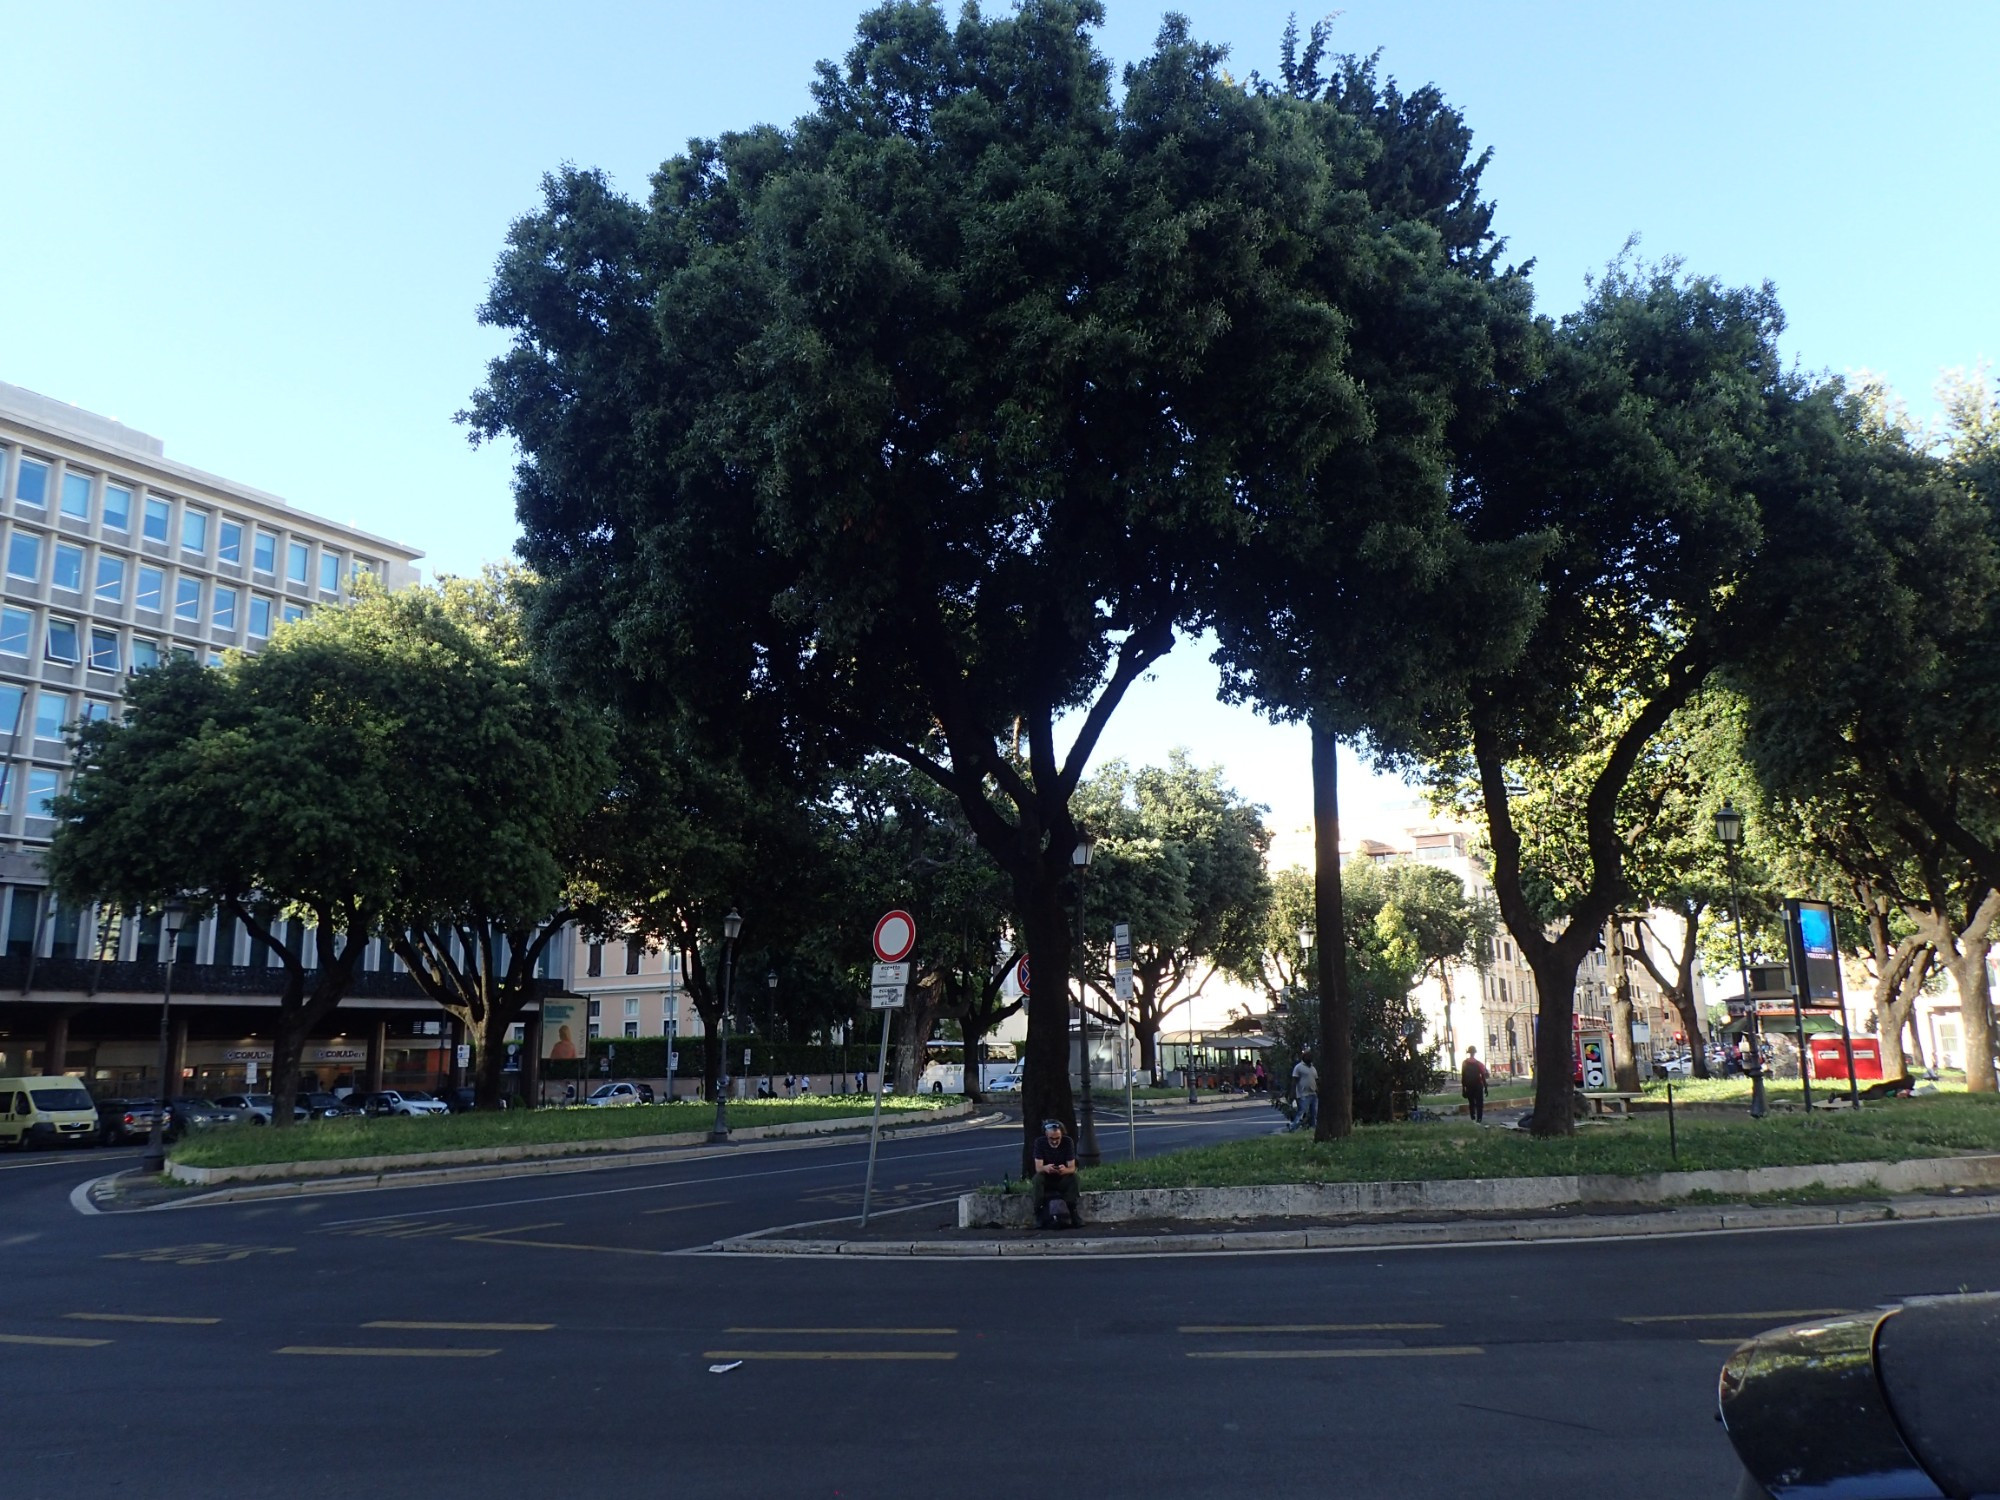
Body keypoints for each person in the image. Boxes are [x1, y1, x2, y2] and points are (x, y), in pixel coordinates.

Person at [1031, 1118, 1082, 1229]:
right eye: (1051, 1138)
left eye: (1057, 1138)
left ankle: (1073, 1212)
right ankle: (1038, 1214)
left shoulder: (1068, 1142)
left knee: (1074, 1178)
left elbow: (1072, 1167)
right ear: (1046, 1135)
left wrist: (1065, 1170)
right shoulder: (1040, 1143)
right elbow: (1038, 1168)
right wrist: (1046, 1168)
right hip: (1046, 1177)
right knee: (1037, 1179)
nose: (1054, 1141)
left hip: (1062, 1176)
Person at [1288, 1049, 1318, 1133]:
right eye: (1308, 1056)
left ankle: (1313, 1128)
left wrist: (1317, 1090)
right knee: (1301, 1112)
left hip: (1313, 1093)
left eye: (1311, 1056)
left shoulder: (1313, 1068)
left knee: (1314, 1113)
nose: (1310, 1058)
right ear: (1304, 1057)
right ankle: (1293, 1127)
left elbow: (1315, 1080)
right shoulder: (1298, 1067)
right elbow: (1294, 1081)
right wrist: (1292, 1093)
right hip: (1303, 1094)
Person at [1460, 1045, 1490, 1123]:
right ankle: (1479, 1119)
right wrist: (1486, 1088)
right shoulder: (1479, 1063)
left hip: (1469, 1086)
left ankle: (1473, 1118)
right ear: (1474, 1053)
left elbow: (1463, 1076)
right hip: (1478, 1086)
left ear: (1469, 1053)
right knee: (1479, 1103)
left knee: (1471, 1103)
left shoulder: (1464, 1063)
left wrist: (1463, 1089)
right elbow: (1483, 1076)